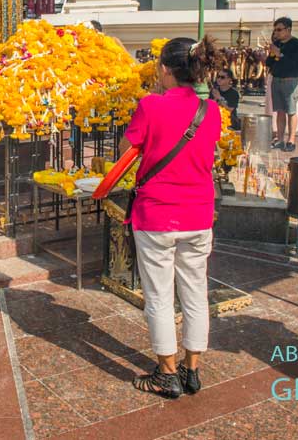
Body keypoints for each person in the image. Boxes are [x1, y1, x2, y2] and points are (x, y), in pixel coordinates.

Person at [120, 36, 221, 399]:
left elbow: (127, 149)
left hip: (158, 214)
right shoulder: (211, 111)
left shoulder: (151, 105)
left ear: (165, 69)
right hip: (198, 213)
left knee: (160, 297)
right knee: (196, 292)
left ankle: (166, 373)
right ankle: (191, 369)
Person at [265, 17, 298, 152]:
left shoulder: (297, 44)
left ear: (288, 29)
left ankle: (291, 139)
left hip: (290, 80)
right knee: (280, 110)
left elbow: (295, 64)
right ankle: (280, 139)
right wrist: (272, 54)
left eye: (279, 30)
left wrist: (279, 54)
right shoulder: (277, 43)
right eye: (275, 30)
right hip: (276, 79)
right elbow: (268, 63)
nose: (277, 33)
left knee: (291, 111)